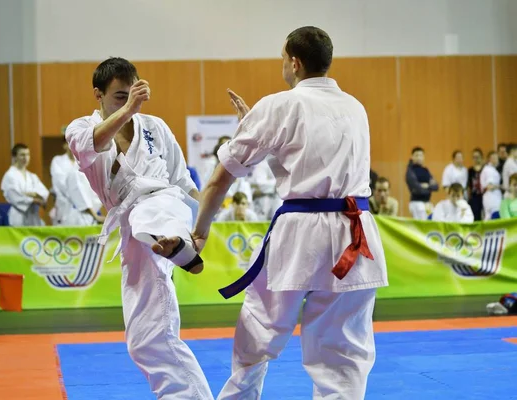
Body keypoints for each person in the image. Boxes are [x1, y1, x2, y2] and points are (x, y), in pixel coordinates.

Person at [192, 26, 388, 400]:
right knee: (343, 349)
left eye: (283, 59)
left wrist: (200, 231)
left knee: (260, 327)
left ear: (294, 63)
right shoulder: (355, 107)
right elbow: (312, 160)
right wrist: (259, 129)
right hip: (355, 230)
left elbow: (219, 180)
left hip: (302, 234)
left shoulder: (279, 105)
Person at [65, 57, 212, 399]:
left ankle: (177, 244)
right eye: (118, 96)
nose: (128, 101)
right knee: (143, 339)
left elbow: (183, 181)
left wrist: (203, 219)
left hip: (164, 203)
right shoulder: (80, 128)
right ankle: (171, 245)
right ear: (98, 95)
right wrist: (128, 110)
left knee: (152, 214)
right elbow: (91, 147)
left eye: (131, 93)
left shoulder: (155, 127)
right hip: (132, 223)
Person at [0, 144, 50, 226]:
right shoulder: (10, 175)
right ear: (15, 157)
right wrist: (34, 199)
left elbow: (44, 193)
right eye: (22, 155)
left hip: (33, 216)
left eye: (27, 154)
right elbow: (15, 196)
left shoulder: (32, 176)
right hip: (18, 216)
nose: (25, 158)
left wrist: (30, 194)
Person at [49, 132, 78, 225]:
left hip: (82, 207)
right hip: (64, 204)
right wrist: (77, 193)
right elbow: (60, 183)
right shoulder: (57, 161)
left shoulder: (83, 161)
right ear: (65, 145)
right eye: (70, 143)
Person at [405, 147, 439, 219]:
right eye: (416, 155)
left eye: (421, 155)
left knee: (432, 221)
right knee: (421, 225)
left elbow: (436, 186)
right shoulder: (410, 171)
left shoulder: (425, 170)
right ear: (412, 157)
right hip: (416, 203)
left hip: (427, 203)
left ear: (423, 157)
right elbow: (417, 188)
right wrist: (429, 187)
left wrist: (426, 186)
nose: (419, 157)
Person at [480, 151, 502, 220]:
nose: (497, 160)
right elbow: (490, 186)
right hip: (492, 199)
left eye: (497, 158)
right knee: (493, 217)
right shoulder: (489, 170)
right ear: (490, 159)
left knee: (488, 217)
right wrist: (502, 186)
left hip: (491, 198)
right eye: (495, 158)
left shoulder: (490, 169)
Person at [467, 148, 484, 221]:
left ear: (481, 157)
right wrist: (469, 197)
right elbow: (468, 185)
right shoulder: (470, 170)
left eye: (477, 157)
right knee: (475, 216)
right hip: (474, 197)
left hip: (484, 195)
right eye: (474, 157)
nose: (475, 159)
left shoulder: (485, 168)